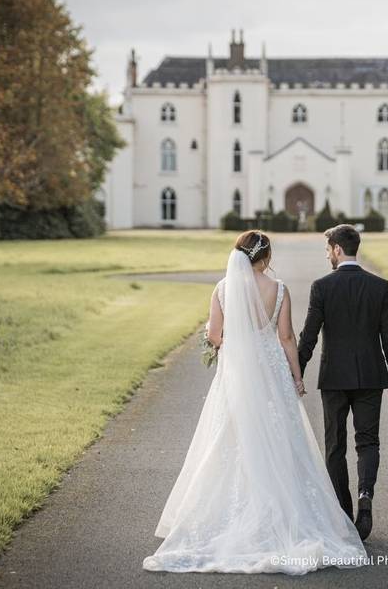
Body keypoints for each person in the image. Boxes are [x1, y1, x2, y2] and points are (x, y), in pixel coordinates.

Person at [142, 230, 368, 575]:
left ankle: (228, 518)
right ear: (266, 257)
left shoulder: (223, 289)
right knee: (280, 441)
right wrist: (296, 376)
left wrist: (213, 335)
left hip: (237, 378)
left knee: (229, 441)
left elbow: (216, 336)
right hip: (272, 374)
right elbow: (287, 337)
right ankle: (289, 517)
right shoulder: (279, 290)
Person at [297, 224, 388, 541]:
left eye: (328, 248)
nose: (327, 254)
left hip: (334, 378)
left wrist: (295, 374)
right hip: (371, 376)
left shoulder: (322, 287)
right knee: (368, 442)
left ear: (338, 250)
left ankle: (344, 514)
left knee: (335, 445)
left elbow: (309, 337)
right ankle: (365, 496)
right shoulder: (379, 286)